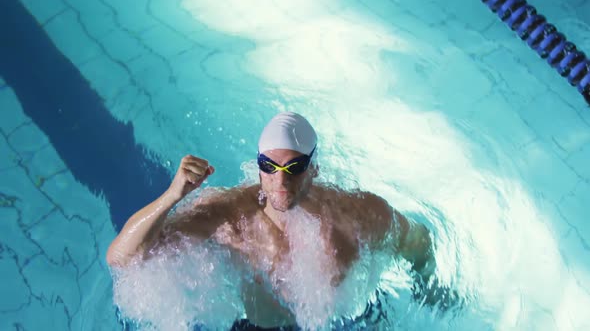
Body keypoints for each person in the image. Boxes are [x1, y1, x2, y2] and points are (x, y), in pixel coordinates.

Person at [106, 112, 436, 329]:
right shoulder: (230, 217)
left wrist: (430, 290)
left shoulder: (358, 214)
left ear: (314, 168)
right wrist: (172, 195)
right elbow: (122, 258)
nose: (280, 181)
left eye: (294, 168)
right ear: (258, 165)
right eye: (268, 166)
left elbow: (417, 241)